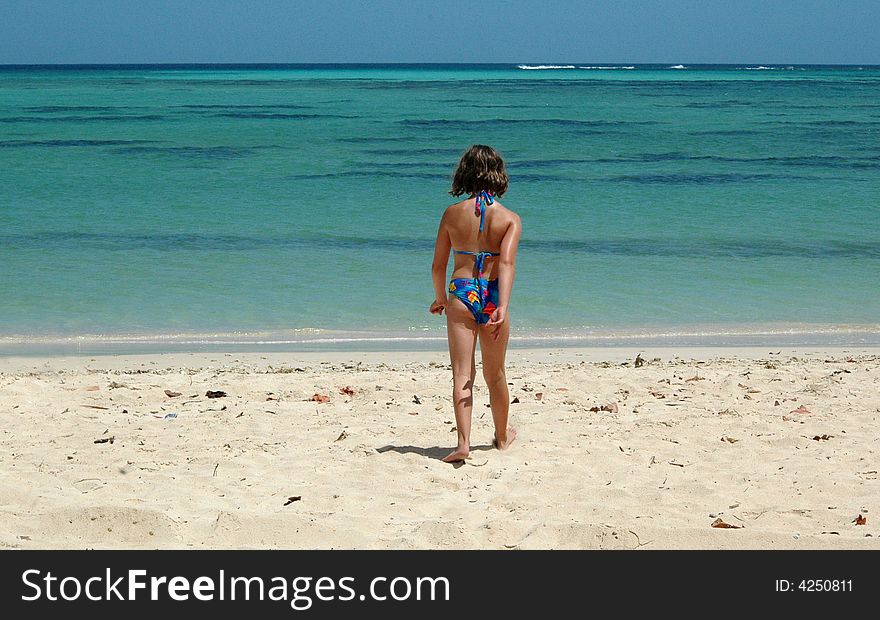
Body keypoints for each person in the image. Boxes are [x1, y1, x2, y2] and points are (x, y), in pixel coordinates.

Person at [429, 145, 522, 463]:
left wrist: (441, 298)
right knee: (495, 374)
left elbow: (438, 265)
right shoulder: (509, 219)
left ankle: (464, 443)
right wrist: (503, 306)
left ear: (465, 172)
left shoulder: (452, 214)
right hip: (493, 295)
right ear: (498, 173)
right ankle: (501, 436)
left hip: (462, 294)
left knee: (462, 375)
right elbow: (507, 265)